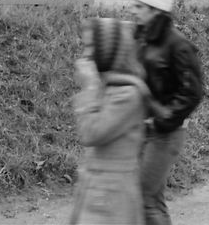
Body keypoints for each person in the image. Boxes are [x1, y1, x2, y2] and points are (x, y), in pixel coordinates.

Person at [70, 18, 166, 225]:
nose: (86, 54)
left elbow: (91, 133)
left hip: (111, 200)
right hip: (97, 193)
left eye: (91, 46)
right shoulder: (110, 87)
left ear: (108, 50)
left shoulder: (128, 94)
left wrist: (89, 89)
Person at [129, 0, 203, 225]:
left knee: (142, 196)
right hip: (145, 129)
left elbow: (192, 92)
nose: (134, 11)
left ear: (155, 10)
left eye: (140, 7)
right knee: (151, 199)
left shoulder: (178, 45)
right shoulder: (144, 40)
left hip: (166, 133)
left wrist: (162, 120)